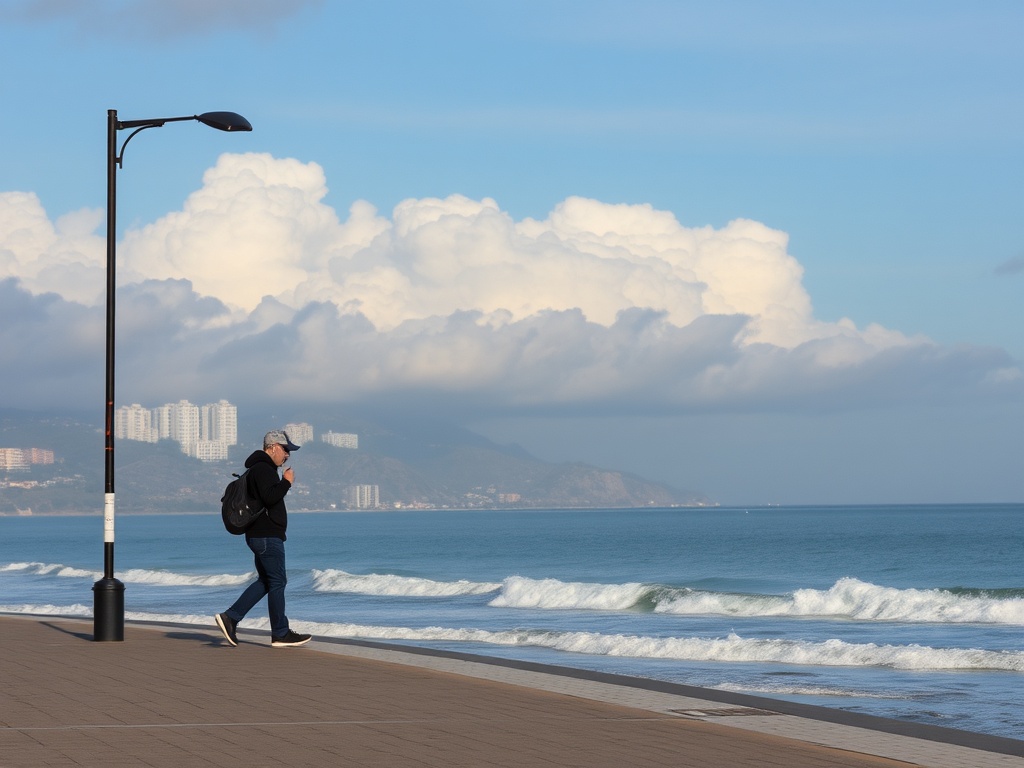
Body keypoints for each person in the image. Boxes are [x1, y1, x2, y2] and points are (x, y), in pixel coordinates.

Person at [215, 430, 312, 648]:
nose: (287, 455)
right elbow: (270, 497)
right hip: (267, 536)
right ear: (274, 447)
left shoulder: (259, 468)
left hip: (261, 536)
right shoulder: (263, 469)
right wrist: (287, 482)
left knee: (267, 581)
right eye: (286, 450)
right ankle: (280, 633)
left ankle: (230, 618)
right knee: (278, 581)